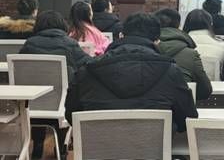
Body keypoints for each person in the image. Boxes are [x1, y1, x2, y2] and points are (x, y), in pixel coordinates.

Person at [65, 12, 198, 132]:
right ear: (157, 42)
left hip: (98, 147)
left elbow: (71, 115)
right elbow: (187, 118)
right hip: (153, 148)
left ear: (121, 36)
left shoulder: (88, 70)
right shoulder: (170, 71)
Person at [20, 10, 92, 159]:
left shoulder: (29, 44)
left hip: (31, 104)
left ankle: (38, 145)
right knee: (70, 93)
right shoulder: (70, 44)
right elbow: (87, 65)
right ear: (62, 25)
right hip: (61, 105)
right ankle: (60, 148)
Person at [155, 8, 212, 100]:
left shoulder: (141, 51)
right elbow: (205, 91)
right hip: (180, 106)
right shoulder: (191, 54)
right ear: (179, 25)